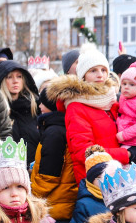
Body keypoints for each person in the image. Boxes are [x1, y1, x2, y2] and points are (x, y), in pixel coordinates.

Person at [46, 48, 129, 185]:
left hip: (122, 176)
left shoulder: (112, 100)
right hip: (96, 179)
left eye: (103, 70)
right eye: (93, 70)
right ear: (83, 75)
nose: (100, 75)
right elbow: (83, 151)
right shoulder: (76, 106)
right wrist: (126, 154)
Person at [32, 86, 79, 223]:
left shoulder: (54, 132)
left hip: (55, 204)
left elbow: (48, 175)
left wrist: (33, 195)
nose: (39, 106)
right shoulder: (62, 127)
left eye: (42, 102)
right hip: (64, 200)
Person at [0, 60, 40, 163]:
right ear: (1, 80)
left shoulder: (35, 106)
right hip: (8, 167)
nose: (15, 81)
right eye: (9, 77)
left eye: (19, 77)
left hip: (34, 168)